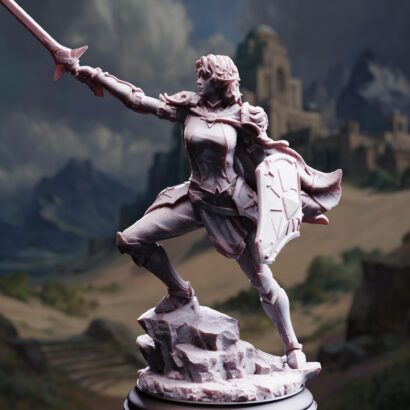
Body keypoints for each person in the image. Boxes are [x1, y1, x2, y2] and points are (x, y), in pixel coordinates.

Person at [70, 54, 342, 369]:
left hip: (231, 207)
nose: (198, 81)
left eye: (205, 76)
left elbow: (269, 163)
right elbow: (138, 101)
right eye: (198, 75)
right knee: (131, 239)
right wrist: (96, 77)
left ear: (221, 81)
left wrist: (297, 206)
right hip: (194, 197)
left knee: (263, 281)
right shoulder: (189, 107)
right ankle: (180, 292)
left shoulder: (244, 116)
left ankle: (292, 345)